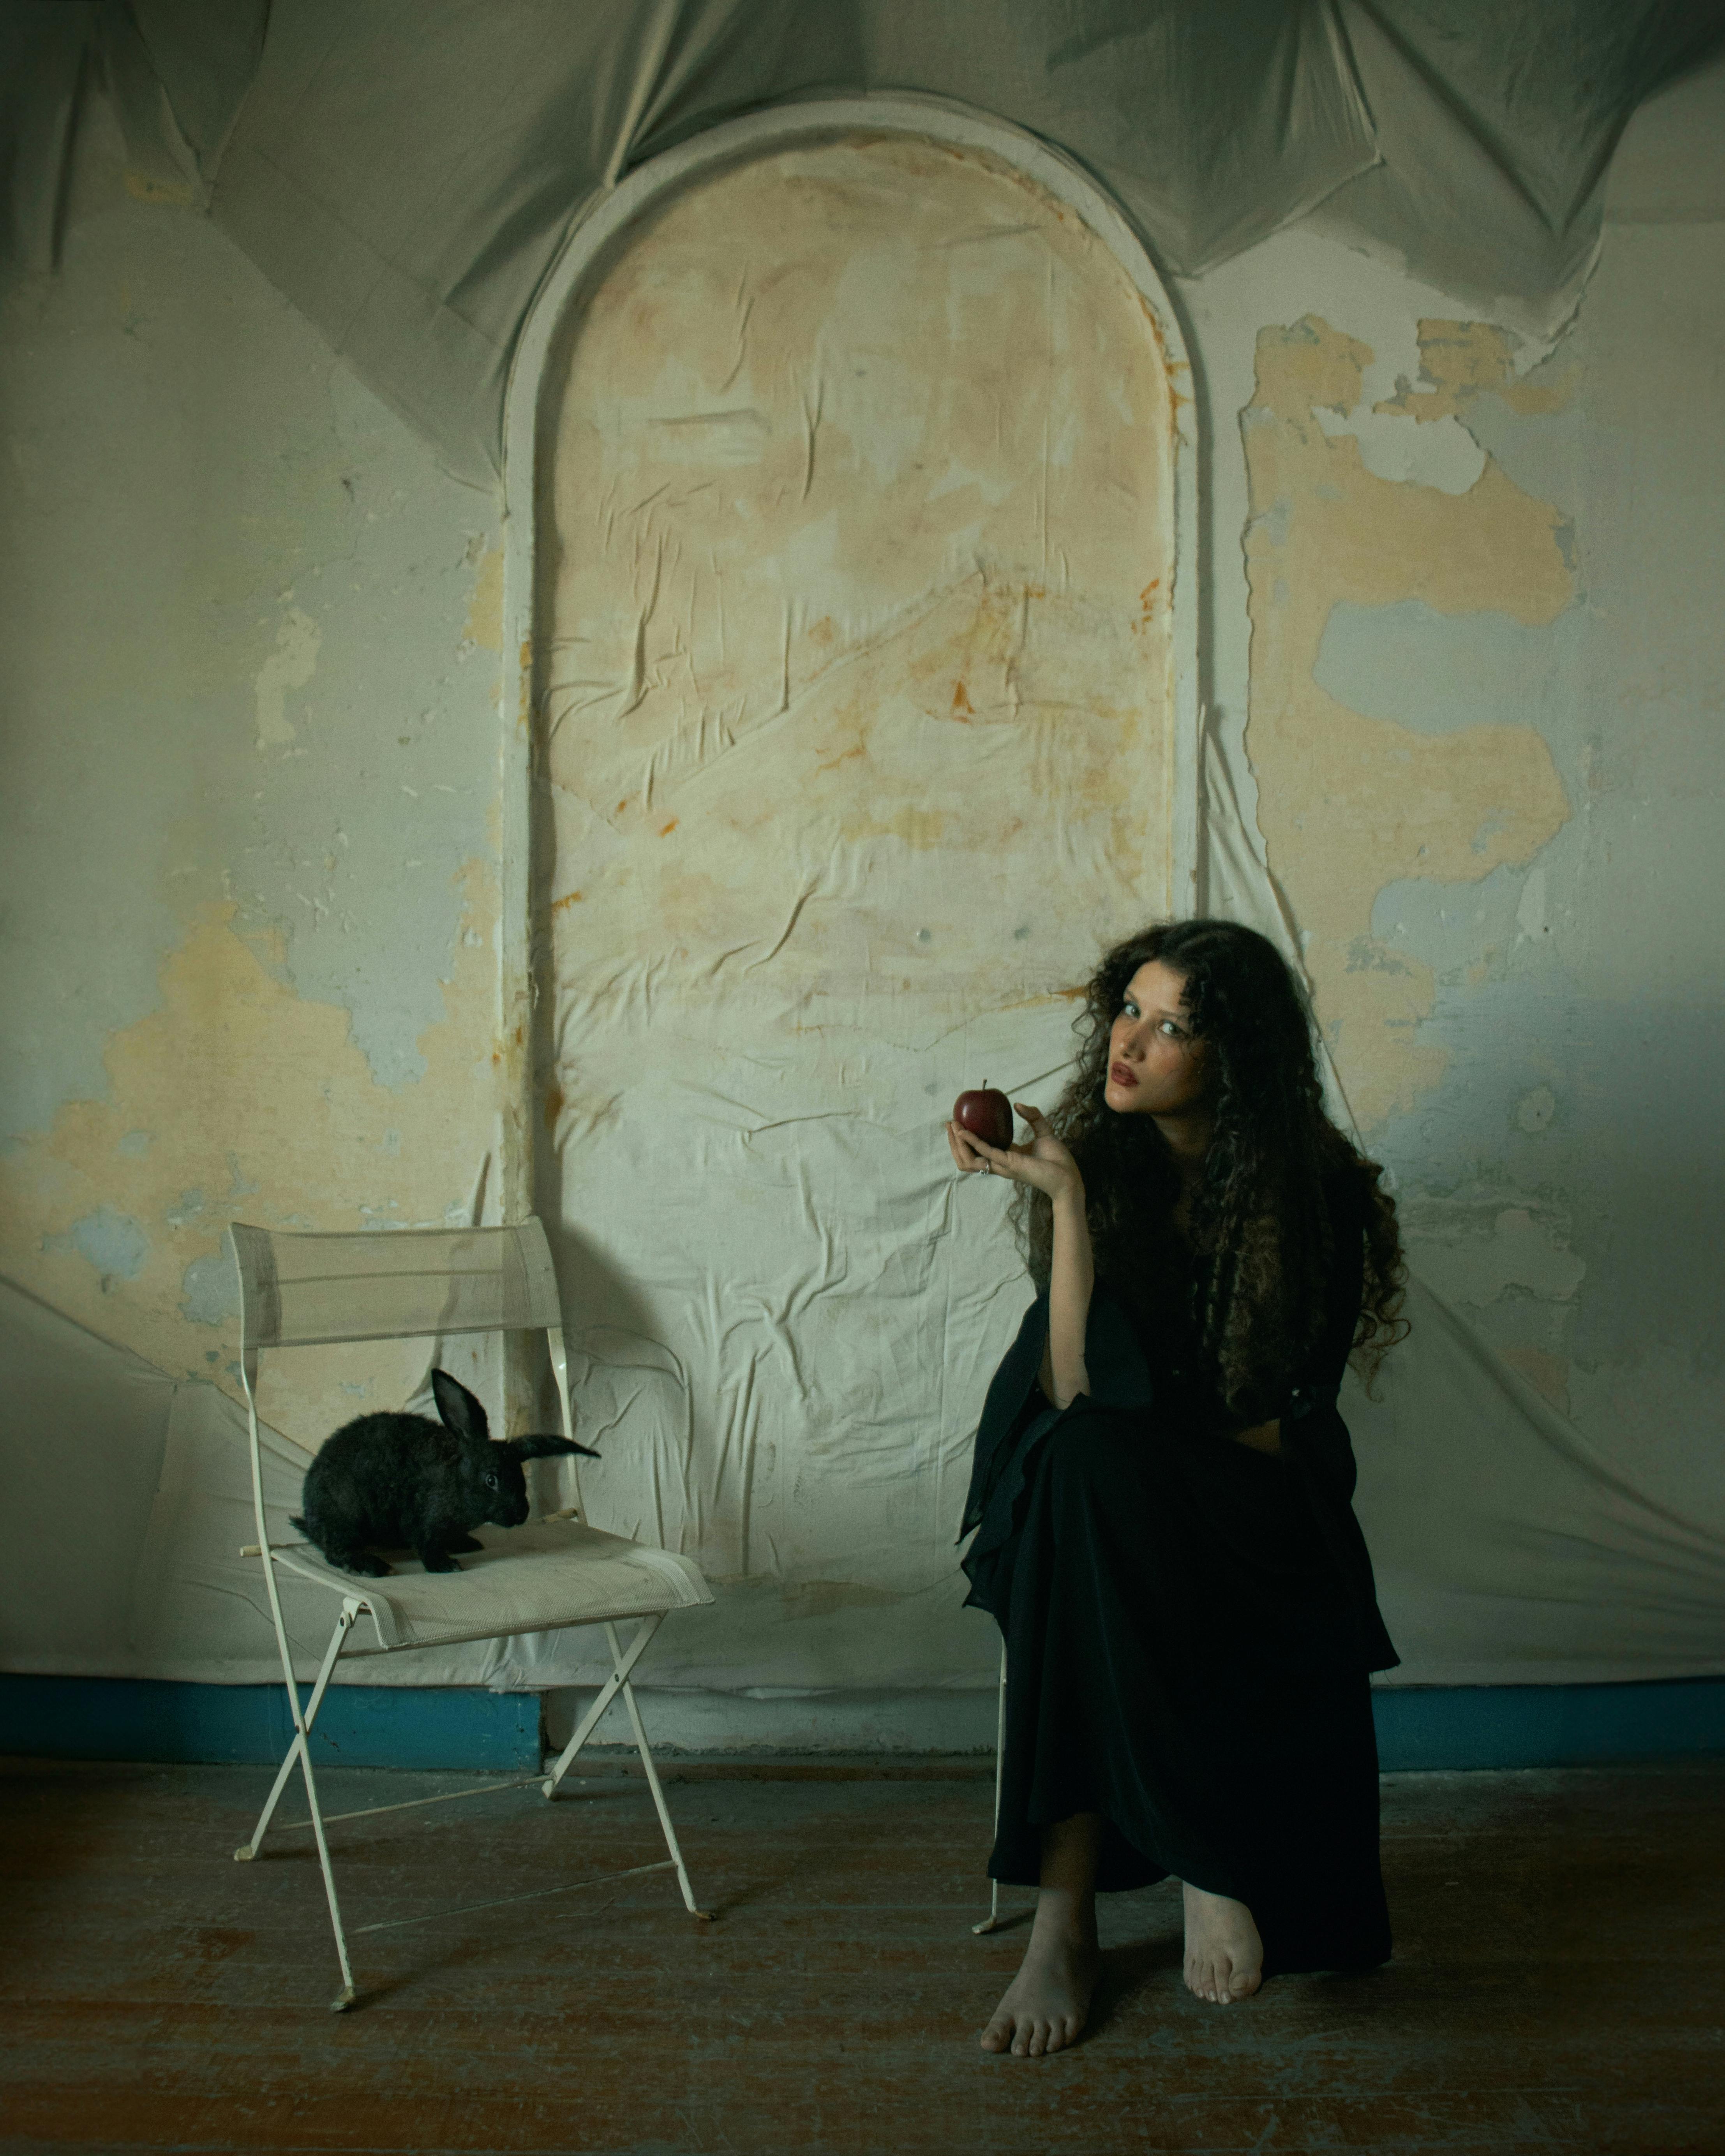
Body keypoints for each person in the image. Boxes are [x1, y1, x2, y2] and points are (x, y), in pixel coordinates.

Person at [946, 918, 1408, 2059]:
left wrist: (1140, 1451)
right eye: (1128, 1009)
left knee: (1100, 1499)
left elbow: (1255, 1422)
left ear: (1232, 1057)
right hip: (1093, 1461)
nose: (1130, 1043)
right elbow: (1068, 1388)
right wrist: (1062, 1202)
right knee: (1083, 1474)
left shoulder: (1312, 1192)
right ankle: (1178, 1873)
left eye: (1172, 1027)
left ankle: (1071, 1915)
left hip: (1251, 1480)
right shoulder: (1100, 1164)